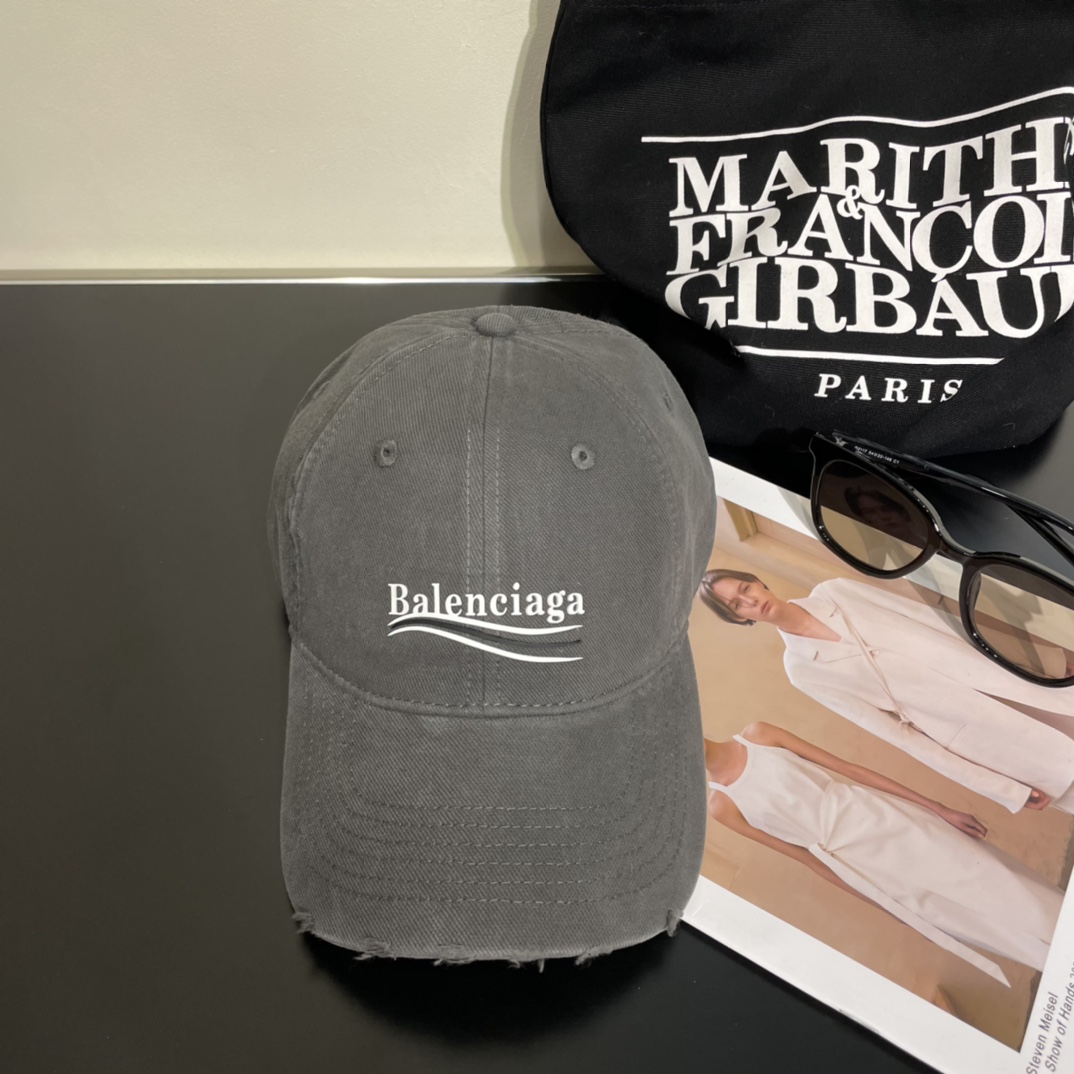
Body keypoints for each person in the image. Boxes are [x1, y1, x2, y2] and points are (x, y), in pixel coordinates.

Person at [706, 721, 1063, 983]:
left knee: (992, 876)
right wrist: (888, 909)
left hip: (882, 817)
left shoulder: (758, 735)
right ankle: (1063, 966)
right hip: (859, 865)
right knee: (969, 921)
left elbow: (851, 770)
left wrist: (938, 808)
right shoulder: (722, 807)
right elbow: (805, 858)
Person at [698, 569, 1074, 813]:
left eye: (746, 588)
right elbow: (896, 735)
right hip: (971, 730)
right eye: (737, 605)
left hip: (1000, 675)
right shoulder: (801, 669)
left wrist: (1046, 659)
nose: (750, 601)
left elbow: (938, 621)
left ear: (759, 582)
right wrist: (1002, 789)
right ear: (738, 618)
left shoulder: (835, 592)